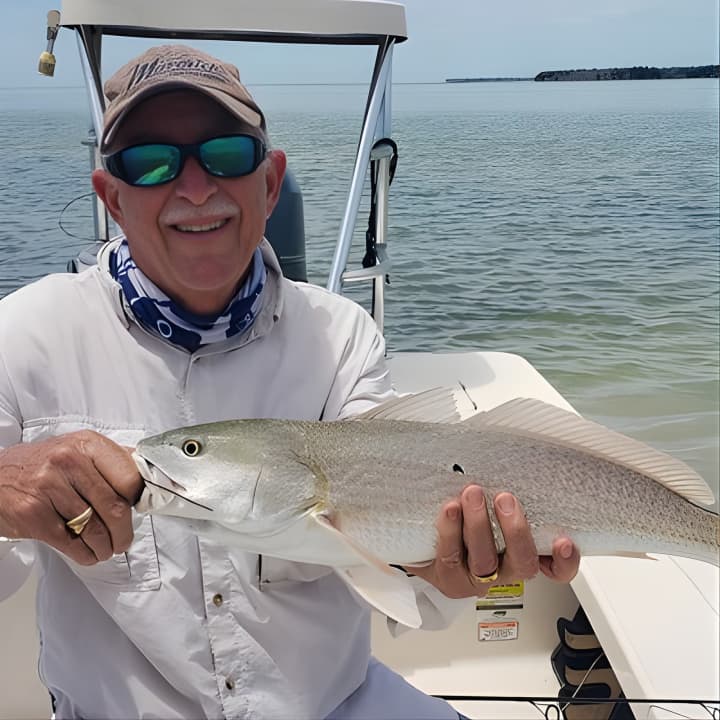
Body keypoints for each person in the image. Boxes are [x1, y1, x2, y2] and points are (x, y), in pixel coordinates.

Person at [0, 44, 579, 719]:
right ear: (114, 200)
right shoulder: (23, 336)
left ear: (271, 184)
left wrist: (442, 566)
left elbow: (405, 578)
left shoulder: (340, 338)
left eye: (226, 154)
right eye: (150, 163)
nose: (194, 188)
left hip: (337, 705)